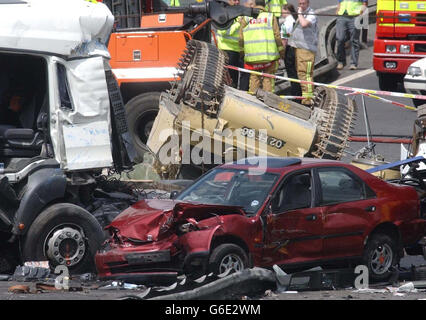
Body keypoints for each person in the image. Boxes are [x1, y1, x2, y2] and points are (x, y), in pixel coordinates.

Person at [239, 0, 285, 93]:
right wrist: (281, 52)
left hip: (252, 56)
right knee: (268, 78)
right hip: (269, 56)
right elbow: (277, 36)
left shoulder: (246, 18)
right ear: (265, 6)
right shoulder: (270, 17)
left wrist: (242, 53)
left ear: (255, 4)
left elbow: (241, 38)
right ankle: (268, 101)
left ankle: (253, 101)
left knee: (254, 78)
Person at [287, 0, 318, 106]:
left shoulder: (311, 14)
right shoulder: (302, 14)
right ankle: (305, 97)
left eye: (303, 3)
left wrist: (299, 12)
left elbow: (304, 24)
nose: (301, 6)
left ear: (308, 3)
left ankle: (308, 100)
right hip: (299, 49)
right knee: (301, 73)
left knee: (306, 74)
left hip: (307, 50)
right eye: (299, 4)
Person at [216, 0, 243, 88]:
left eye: (239, 0)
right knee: (228, 79)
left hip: (238, 50)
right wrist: (238, 23)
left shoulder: (237, 13)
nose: (237, 2)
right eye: (235, 0)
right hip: (227, 50)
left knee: (235, 78)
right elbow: (225, 32)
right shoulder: (223, 14)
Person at [336, 0, 367, 70]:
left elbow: (364, 4)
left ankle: (353, 63)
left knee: (354, 41)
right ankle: (341, 61)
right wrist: (337, 11)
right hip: (342, 16)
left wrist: (360, 15)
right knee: (340, 38)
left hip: (355, 17)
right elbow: (340, 2)